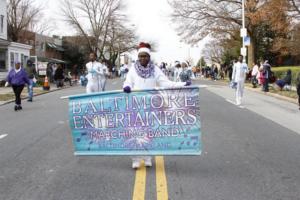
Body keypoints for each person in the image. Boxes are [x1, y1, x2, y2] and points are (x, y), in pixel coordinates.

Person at [123, 42, 191, 169]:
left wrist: (182, 84)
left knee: (149, 132)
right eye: (141, 56)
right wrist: (126, 87)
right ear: (138, 57)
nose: (143, 58)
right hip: (136, 105)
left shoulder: (155, 70)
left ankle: (148, 157)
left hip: (150, 105)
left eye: (145, 56)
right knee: (135, 132)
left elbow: (166, 83)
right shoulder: (133, 69)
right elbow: (128, 82)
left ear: (149, 57)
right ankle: (136, 159)